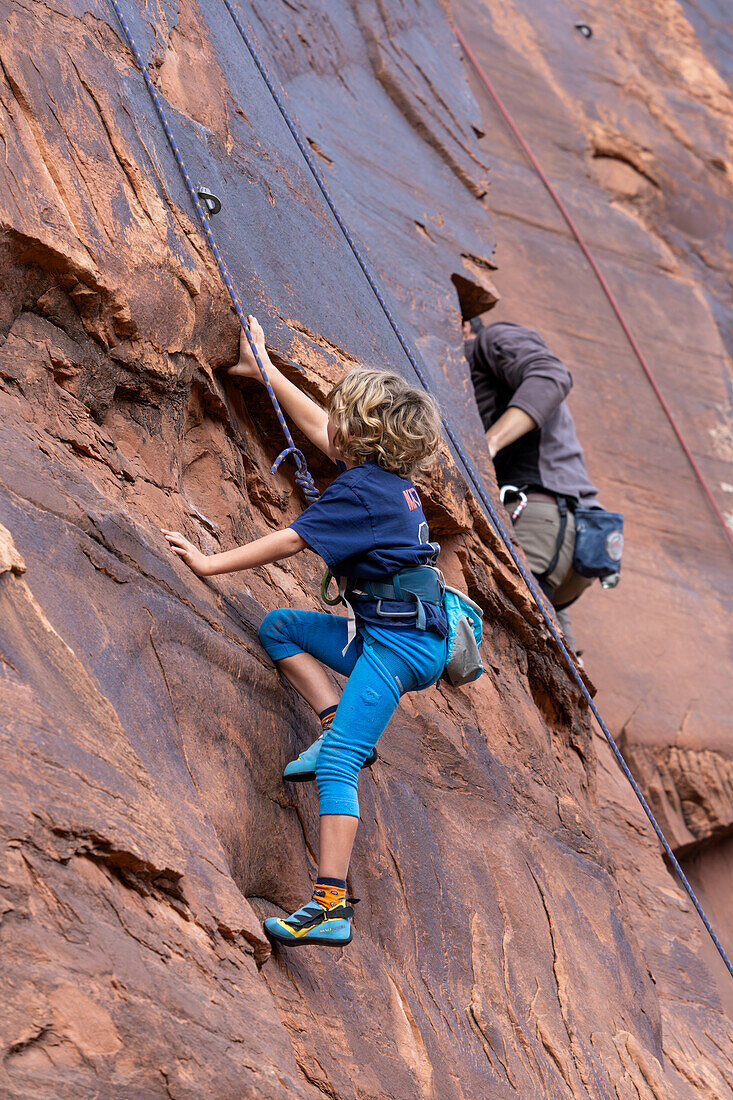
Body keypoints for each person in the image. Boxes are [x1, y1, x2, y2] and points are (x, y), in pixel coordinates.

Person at [163, 317, 448, 948]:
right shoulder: (387, 481)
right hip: (394, 631)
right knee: (281, 628)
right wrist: (260, 366)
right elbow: (322, 430)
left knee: (343, 765)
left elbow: (292, 539)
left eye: (343, 414)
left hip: (397, 647)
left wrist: (210, 562)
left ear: (363, 436)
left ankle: (330, 906)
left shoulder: (361, 495)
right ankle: (329, 724)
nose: (331, 421)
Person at [464, 318, 597, 654]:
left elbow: (551, 375)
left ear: (464, 323)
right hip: (576, 538)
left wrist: (489, 443)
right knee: (548, 643)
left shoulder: (490, 339)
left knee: (507, 638)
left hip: (539, 517)